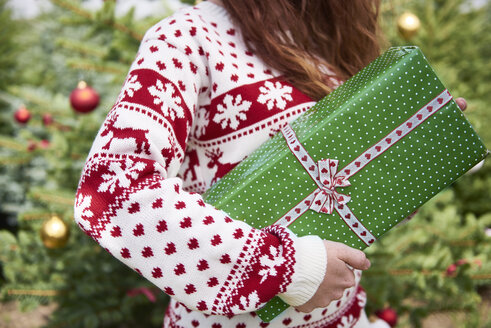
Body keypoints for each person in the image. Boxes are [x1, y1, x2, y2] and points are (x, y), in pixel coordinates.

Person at [73, 1, 467, 327]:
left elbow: (331, 190)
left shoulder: (324, 40)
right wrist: (285, 267)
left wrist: (408, 158)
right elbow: (112, 189)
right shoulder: (186, 38)